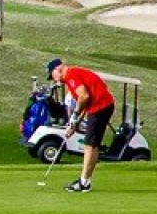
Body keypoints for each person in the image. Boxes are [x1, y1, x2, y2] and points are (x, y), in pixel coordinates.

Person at [48, 57, 114, 192]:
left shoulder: (71, 75)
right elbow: (84, 102)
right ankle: (85, 181)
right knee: (91, 145)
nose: (54, 79)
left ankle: (84, 183)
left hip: (100, 107)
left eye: (52, 75)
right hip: (100, 107)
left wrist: (75, 115)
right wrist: (74, 124)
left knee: (90, 146)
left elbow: (84, 97)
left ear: (57, 69)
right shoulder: (72, 76)